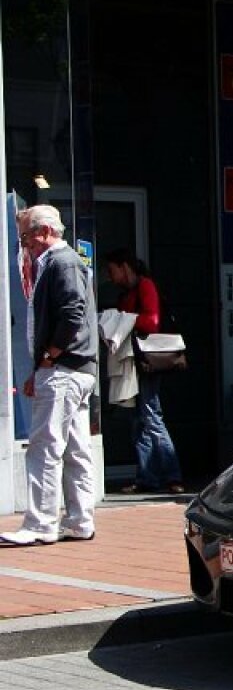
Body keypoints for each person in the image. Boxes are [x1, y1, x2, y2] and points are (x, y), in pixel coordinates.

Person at [1, 205, 98, 545]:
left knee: (45, 446)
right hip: (72, 369)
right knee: (74, 448)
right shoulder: (63, 262)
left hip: (63, 369)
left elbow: (73, 313)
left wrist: (48, 357)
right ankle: (79, 520)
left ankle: (40, 523)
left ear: (43, 233)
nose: (24, 244)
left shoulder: (61, 261)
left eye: (26, 236)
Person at [105, 249, 184, 495]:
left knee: (150, 417)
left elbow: (152, 321)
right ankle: (147, 477)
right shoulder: (128, 293)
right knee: (139, 421)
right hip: (135, 362)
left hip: (147, 362)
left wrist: (124, 319)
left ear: (124, 267)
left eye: (112, 269)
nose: (110, 276)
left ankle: (173, 476)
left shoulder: (145, 286)